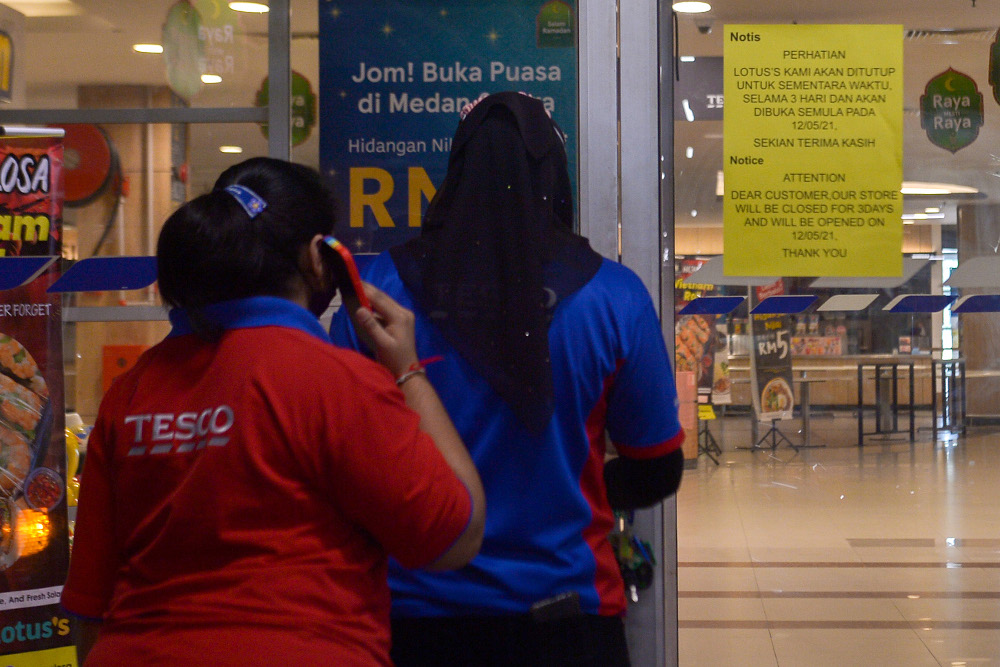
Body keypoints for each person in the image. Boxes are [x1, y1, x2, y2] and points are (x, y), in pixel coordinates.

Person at [60, 157, 485, 666]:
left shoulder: (130, 392)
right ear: (319, 258)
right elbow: (452, 536)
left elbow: (90, 603)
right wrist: (406, 368)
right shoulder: (337, 382)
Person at [330, 92, 684, 666]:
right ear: (554, 179)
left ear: (455, 175)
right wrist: (568, 481)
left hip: (411, 619)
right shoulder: (613, 297)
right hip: (567, 621)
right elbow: (657, 467)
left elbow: (343, 463)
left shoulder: (376, 291)